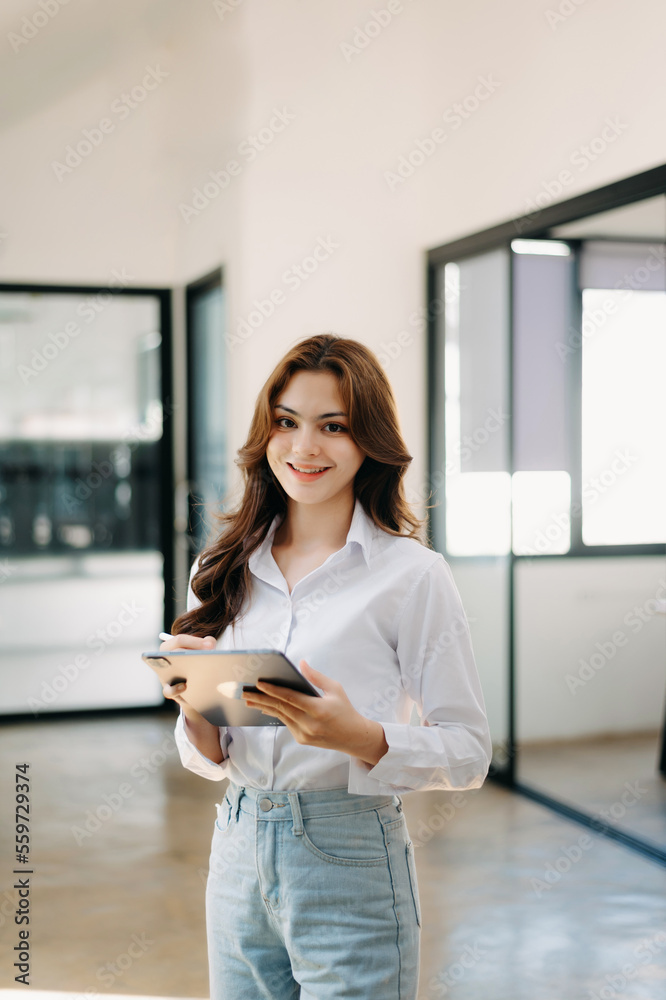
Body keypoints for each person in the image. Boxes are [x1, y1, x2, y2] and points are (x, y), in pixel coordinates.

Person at [161, 333, 492, 1000]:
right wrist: (196, 711)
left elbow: (468, 752)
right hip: (236, 846)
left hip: (350, 855)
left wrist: (359, 736)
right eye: (286, 422)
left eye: (332, 427)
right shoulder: (220, 569)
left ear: (368, 441)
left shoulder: (413, 576)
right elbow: (214, 754)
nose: (304, 448)